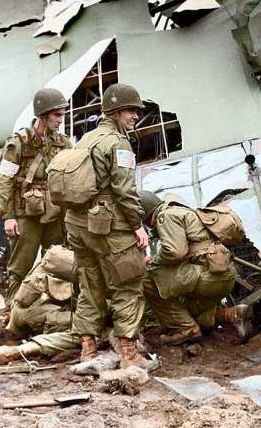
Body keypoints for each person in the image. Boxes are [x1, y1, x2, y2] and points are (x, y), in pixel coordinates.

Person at [64, 83, 151, 369]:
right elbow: (124, 191)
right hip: (107, 225)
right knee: (128, 282)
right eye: (131, 110)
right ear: (115, 112)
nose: (136, 115)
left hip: (77, 224)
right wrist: (137, 225)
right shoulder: (118, 143)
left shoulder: (85, 139)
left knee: (90, 284)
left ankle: (88, 351)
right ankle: (129, 354)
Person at [138, 191, 252, 344]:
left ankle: (186, 329)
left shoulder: (165, 216)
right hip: (224, 277)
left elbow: (175, 251)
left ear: (145, 214)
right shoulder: (182, 211)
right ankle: (232, 314)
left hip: (207, 277)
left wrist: (154, 261)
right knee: (185, 313)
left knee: (147, 279)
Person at [0, 88, 71, 301]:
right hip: (26, 213)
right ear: (43, 115)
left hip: (54, 212)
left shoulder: (63, 142)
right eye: (57, 115)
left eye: (62, 114)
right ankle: (13, 308)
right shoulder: (18, 142)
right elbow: (4, 181)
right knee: (21, 265)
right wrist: (8, 216)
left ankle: (51, 307)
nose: (61, 120)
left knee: (56, 262)